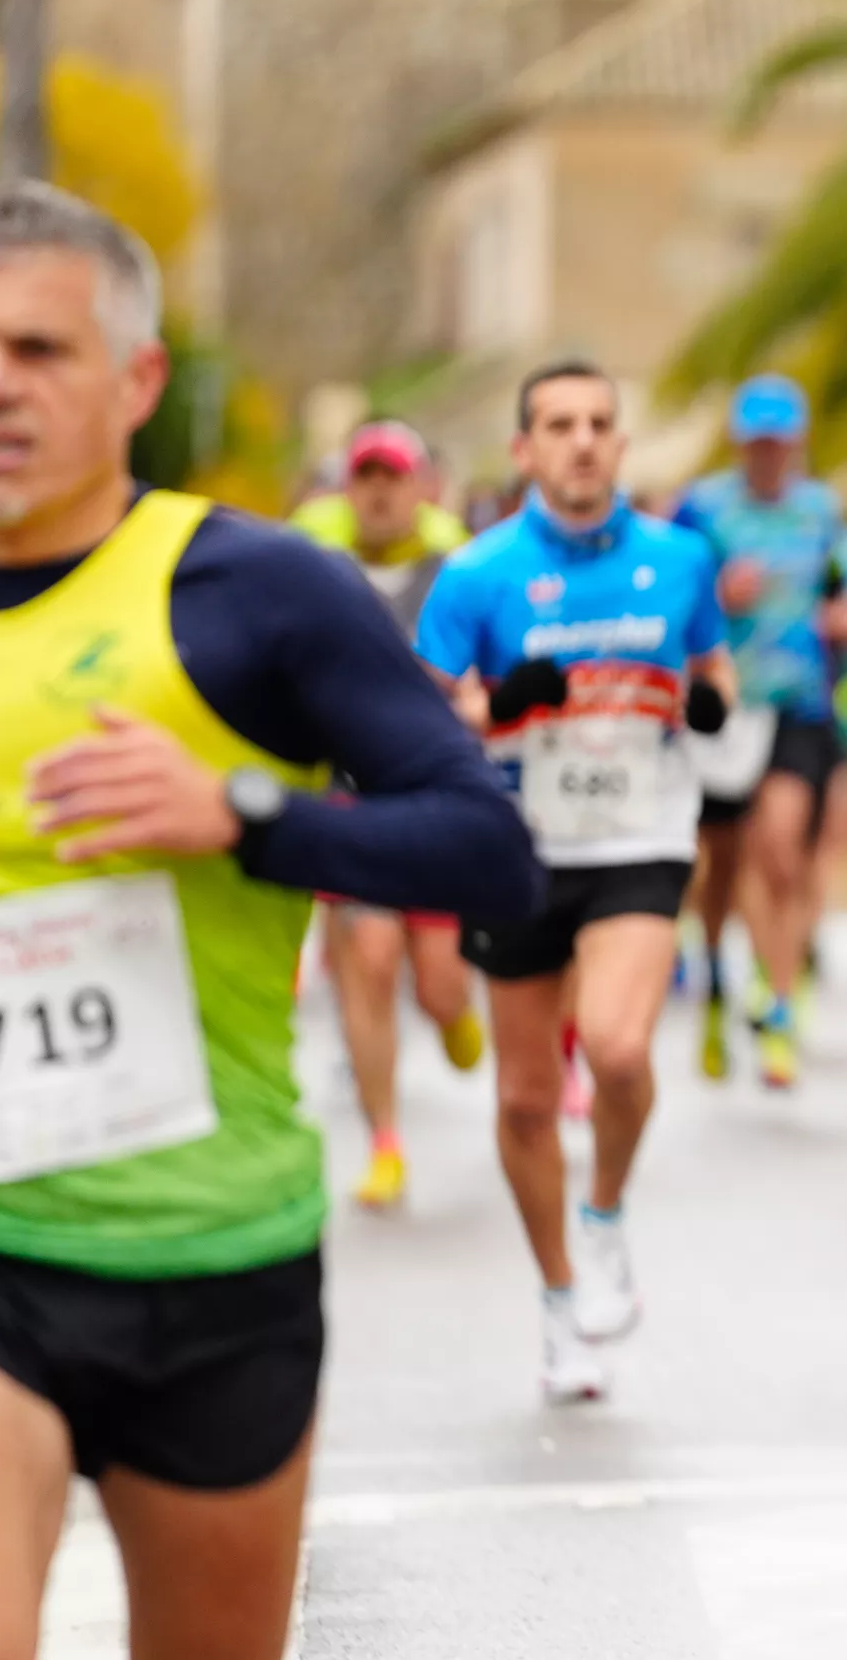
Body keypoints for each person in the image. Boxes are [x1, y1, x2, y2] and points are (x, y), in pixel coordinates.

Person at [0, 180, 539, 1660]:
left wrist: (249, 817)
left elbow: (492, 852)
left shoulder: (258, 592)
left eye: (36, 351)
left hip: (214, 1260)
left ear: (138, 379)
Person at [414, 361, 740, 1403]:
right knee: (519, 1096)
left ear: (621, 443)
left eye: (601, 422)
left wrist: (707, 706)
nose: (584, 441)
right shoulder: (475, 574)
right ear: (524, 451)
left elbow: (714, 670)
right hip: (518, 844)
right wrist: (497, 702)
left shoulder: (680, 558)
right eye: (560, 425)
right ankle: (559, 1297)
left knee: (616, 1043)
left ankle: (603, 1211)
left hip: (639, 833)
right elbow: (419, 717)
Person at [292, 420, 489, 1208]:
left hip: (435, 801)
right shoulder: (317, 576)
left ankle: (452, 1016)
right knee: (368, 963)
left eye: (393, 476)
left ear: (420, 488)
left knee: (439, 987)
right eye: (365, 477)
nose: (378, 491)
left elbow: (487, 665)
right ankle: (385, 1143)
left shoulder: (457, 573)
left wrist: (473, 703)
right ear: (348, 490)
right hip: (350, 801)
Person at [673, 375, 847, 1088]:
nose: (768, 456)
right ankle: (711, 976)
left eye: (779, 443)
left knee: (781, 853)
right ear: (741, 444)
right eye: (757, 443)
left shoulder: (820, 511)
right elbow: (658, 585)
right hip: (724, 709)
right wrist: (712, 594)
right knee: (722, 862)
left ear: (796, 444)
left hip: (802, 705)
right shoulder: (704, 510)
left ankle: (778, 1003)